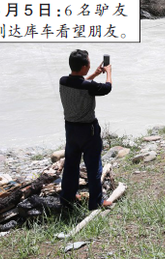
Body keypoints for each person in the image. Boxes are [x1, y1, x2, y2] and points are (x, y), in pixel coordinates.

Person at [59, 49, 113, 210]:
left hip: (70, 129)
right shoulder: (88, 86)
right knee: (94, 166)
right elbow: (107, 87)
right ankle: (96, 202)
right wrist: (108, 72)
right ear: (84, 67)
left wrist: (94, 74)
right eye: (88, 63)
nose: (90, 65)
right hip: (88, 131)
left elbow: (80, 85)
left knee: (71, 165)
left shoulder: (63, 81)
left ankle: (67, 197)